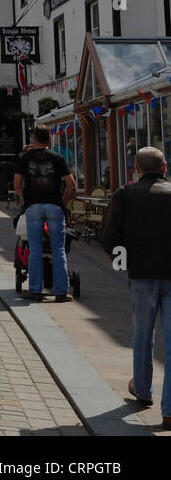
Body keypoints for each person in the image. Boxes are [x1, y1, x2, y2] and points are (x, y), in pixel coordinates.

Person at [100, 147, 171, 429]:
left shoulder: (125, 194)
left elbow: (109, 236)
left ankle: (142, 390)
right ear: (164, 167)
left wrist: (122, 262)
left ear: (137, 169)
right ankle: (169, 411)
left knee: (143, 336)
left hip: (141, 276)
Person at [14, 126, 76, 301]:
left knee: (35, 249)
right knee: (58, 249)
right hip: (54, 206)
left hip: (33, 207)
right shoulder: (57, 158)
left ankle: (35, 290)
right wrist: (62, 203)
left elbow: (17, 183)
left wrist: (23, 198)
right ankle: (61, 292)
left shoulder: (24, 158)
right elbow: (71, 185)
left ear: (34, 139)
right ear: (49, 139)